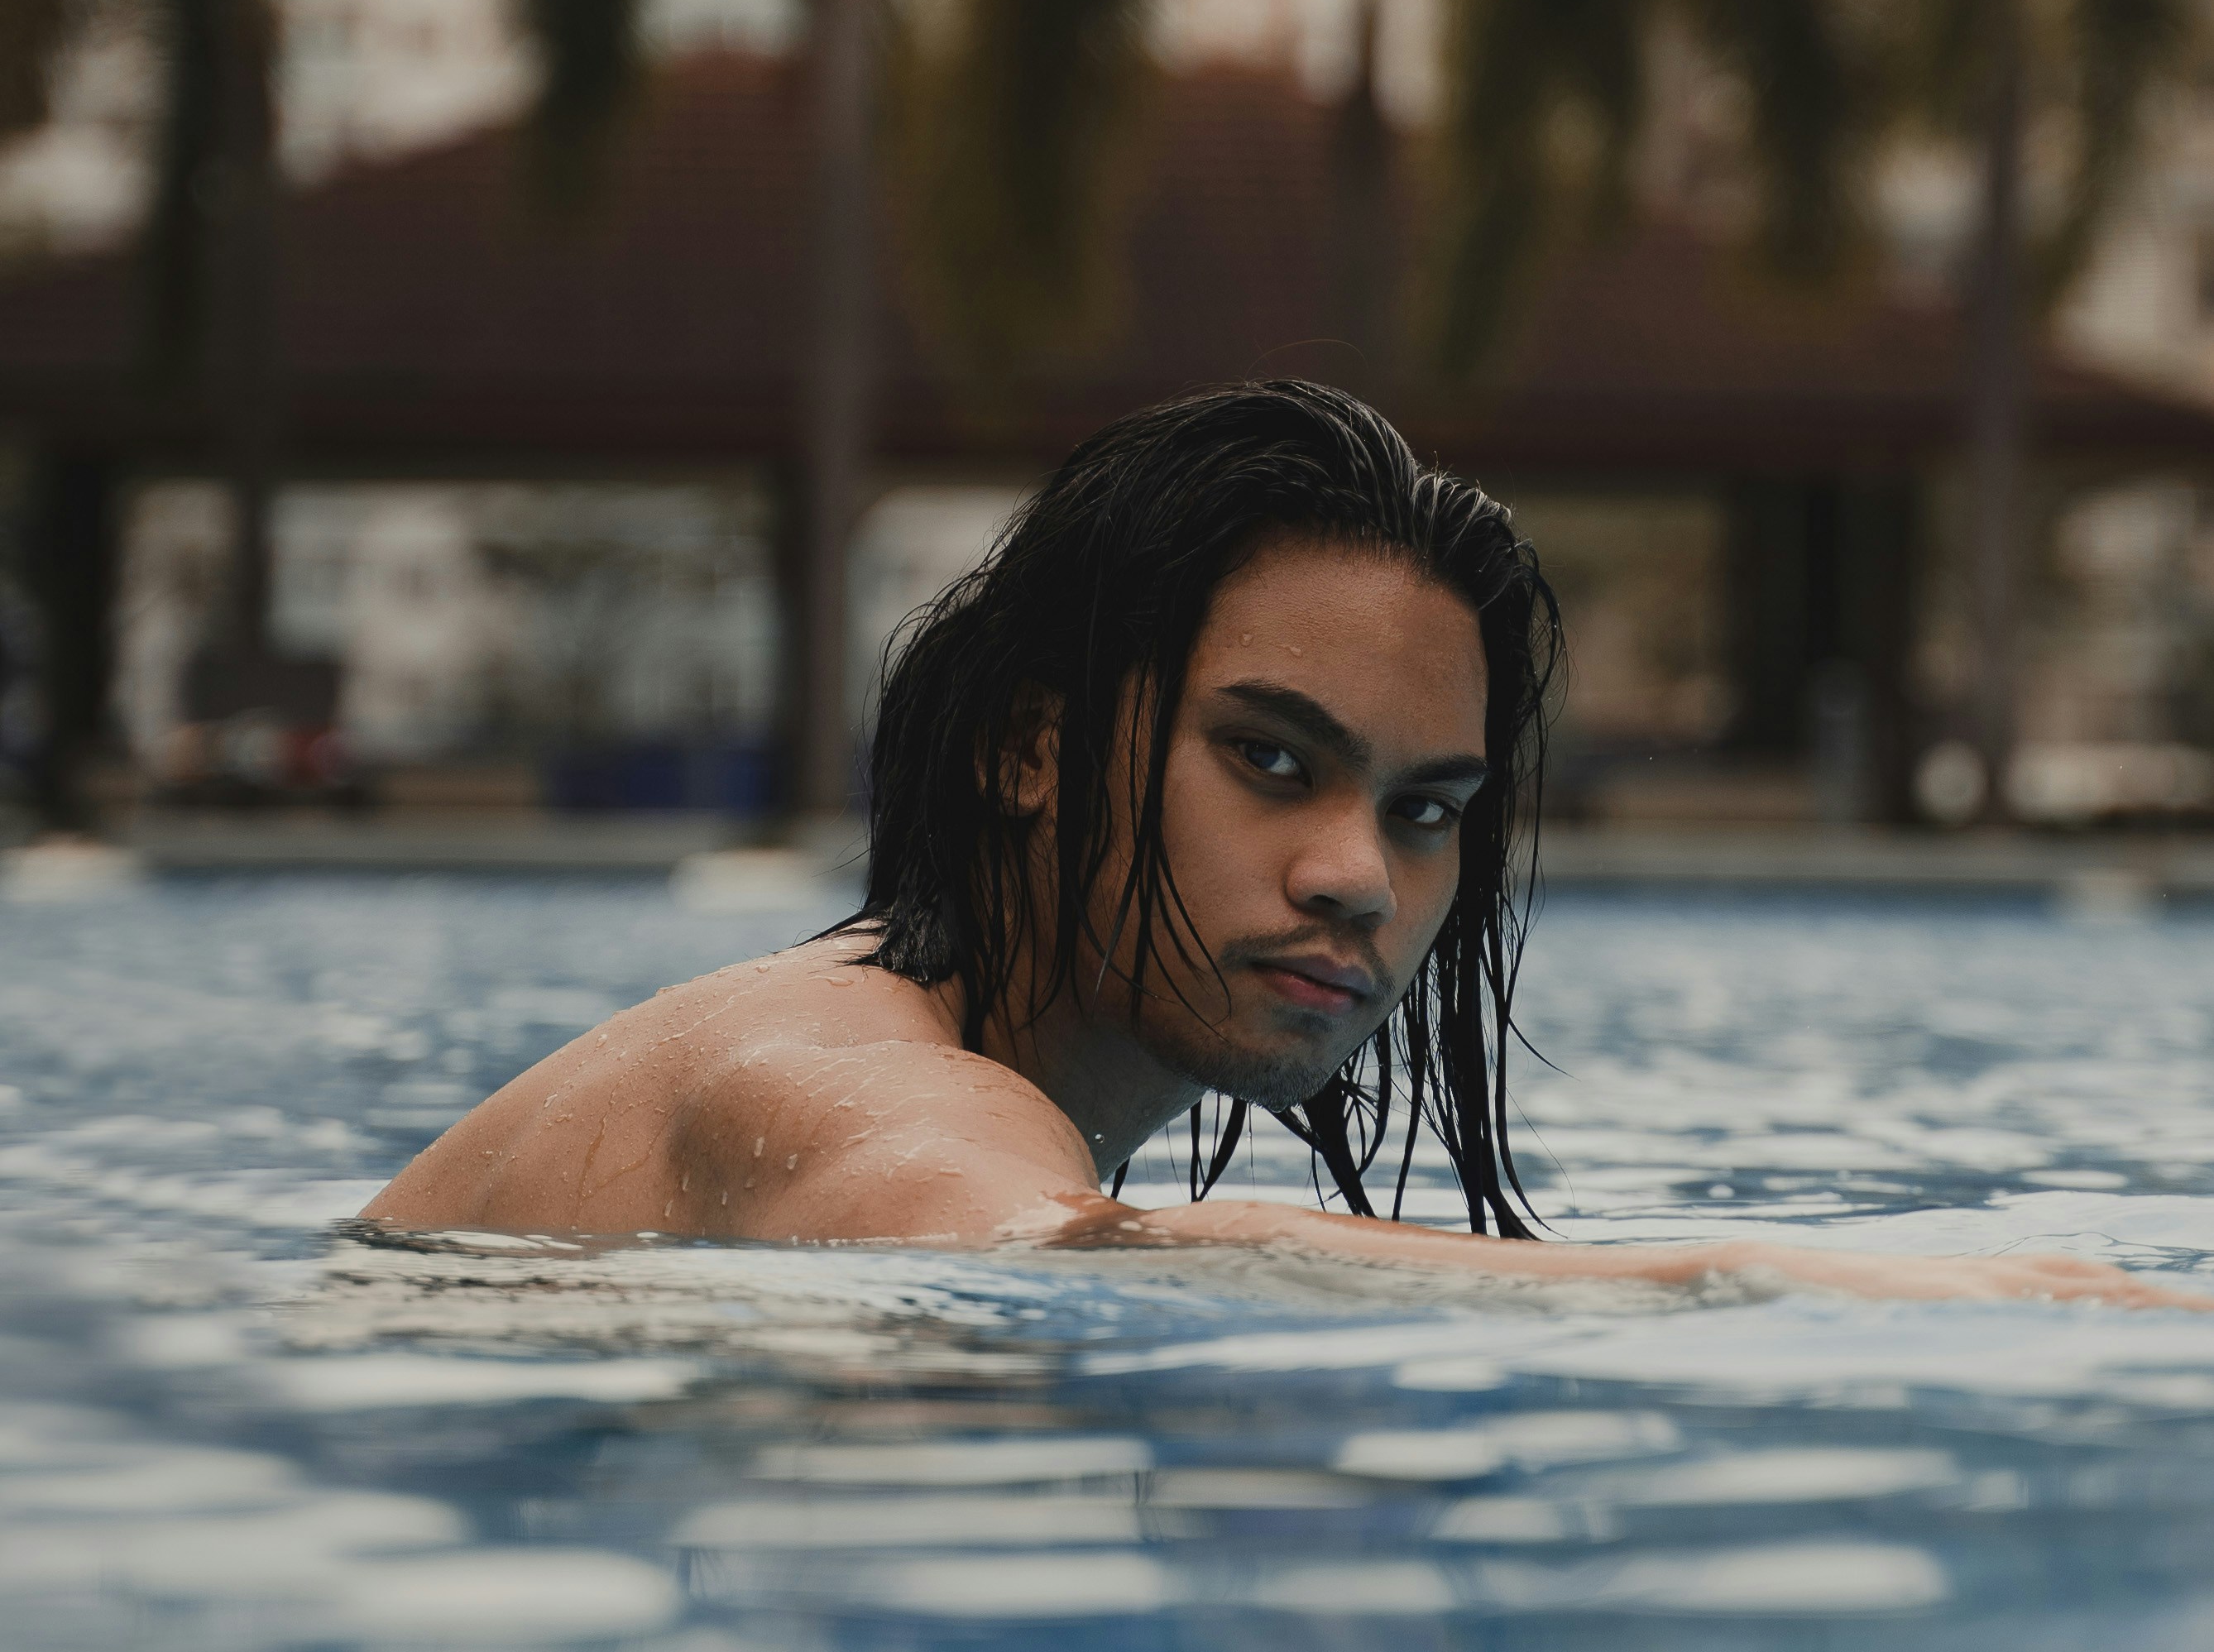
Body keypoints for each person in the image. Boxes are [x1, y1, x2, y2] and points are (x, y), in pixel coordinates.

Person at [367, 384, 2197, 1310]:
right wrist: (1847, 1286)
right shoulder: (840, 1079)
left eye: (1427, 807)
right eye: (1270, 758)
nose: (1359, 876)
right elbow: (1052, 1251)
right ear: (1030, 747)